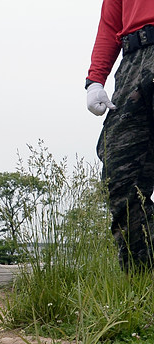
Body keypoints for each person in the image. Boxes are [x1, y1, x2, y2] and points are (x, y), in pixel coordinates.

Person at [85, 1, 154, 271]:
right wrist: (95, 80)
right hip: (133, 62)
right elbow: (110, 22)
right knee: (119, 176)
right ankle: (142, 284)